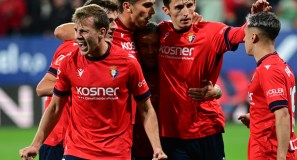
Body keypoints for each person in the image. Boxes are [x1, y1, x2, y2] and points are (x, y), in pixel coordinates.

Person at [19, 4, 167, 160]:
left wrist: (157, 148)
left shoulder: (128, 63)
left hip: (116, 153)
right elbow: (55, 107)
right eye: (76, 31)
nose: (77, 37)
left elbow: (146, 109)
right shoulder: (69, 62)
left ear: (102, 32)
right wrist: (35, 144)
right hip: (77, 151)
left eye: (84, 31)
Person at [157, 0, 271, 159]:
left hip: (206, 127)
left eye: (190, 5)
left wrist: (255, 18)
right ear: (165, 10)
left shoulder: (211, 31)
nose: (185, 12)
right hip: (171, 133)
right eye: (179, 7)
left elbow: (240, 34)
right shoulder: (159, 33)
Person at [35, 1, 119, 160]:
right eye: (109, 20)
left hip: (89, 142)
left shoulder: (115, 53)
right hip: (59, 140)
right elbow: (42, 87)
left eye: (115, 20)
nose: (114, 26)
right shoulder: (71, 48)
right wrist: (76, 85)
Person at [132, 22, 223, 160]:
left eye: (155, 45)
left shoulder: (170, 69)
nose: (150, 51)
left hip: (169, 144)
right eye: (144, 46)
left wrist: (216, 91)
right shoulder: (131, 72)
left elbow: (202, 87)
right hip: (137, 146)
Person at [238, 12, 297, 160]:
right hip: (268, 148)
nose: (243, 39)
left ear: (253, 37)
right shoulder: (279, 65)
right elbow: (275, 109)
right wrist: (256, 117)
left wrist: (281, 157)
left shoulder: (269, 70)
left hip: (268, 152)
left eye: (245, 35)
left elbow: (283, 114)